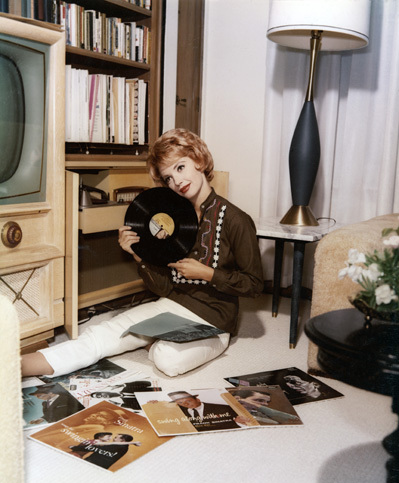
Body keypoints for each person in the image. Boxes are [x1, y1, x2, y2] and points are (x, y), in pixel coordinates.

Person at [21, 128, 264, 378]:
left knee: (167, 359)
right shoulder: (171, 219)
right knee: (101, 334)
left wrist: (209, 274)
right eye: (168, 178)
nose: (177, 181)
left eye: (180, 167)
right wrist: (138, 254)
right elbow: (164, 289)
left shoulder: (237, 220)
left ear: (199, 160)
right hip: (172, 305)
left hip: (215, 321)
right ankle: (15, 366)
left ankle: (159, 343)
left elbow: (255, 285)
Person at [167, 391, 247, 431]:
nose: (185, 404)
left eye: (188, 401)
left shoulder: (224, 408)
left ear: (197, 399)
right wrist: (154, 403)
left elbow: (241, 421)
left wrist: (239, 421)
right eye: (180, 403)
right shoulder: (178, 412)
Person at [232, 389, 301, 425]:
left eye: (267, 402)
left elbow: (294, 419)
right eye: (259, 400)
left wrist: (257, 406)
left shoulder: (259, 413)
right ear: (237, 398)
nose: (265, 404)